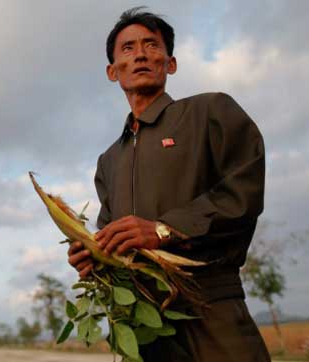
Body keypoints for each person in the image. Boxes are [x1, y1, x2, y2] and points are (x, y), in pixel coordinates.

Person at [67, 7, 271, 361]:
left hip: (211, 304)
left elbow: (244, 193)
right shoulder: (109, 160)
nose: (141, 54)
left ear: (170, 63)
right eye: (128, 48)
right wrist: (93, 256)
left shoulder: (210, 112)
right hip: (144, 322)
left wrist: (163, 230)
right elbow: (115, 238)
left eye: (151, 45)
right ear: (112, 71)